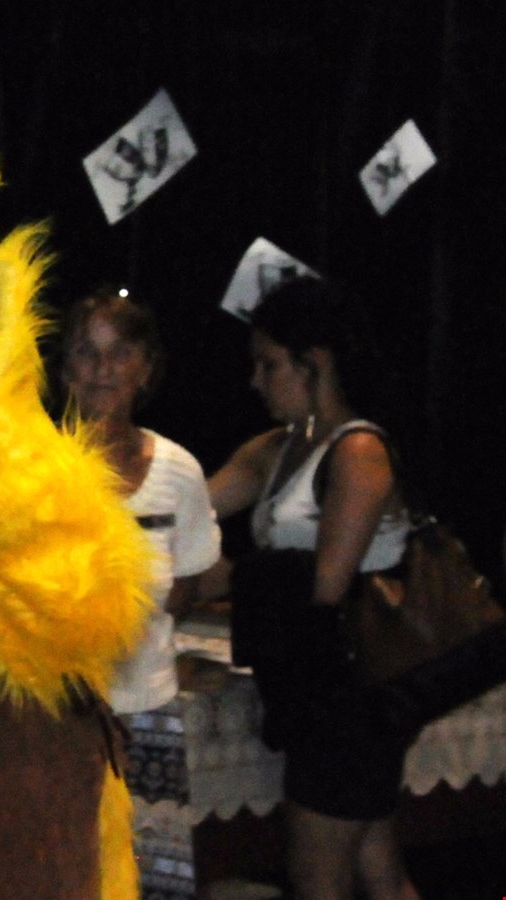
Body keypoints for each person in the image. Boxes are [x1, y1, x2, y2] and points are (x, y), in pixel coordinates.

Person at [206, 277, 420, 900]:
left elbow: (327, 586)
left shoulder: (359, 450)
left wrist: (235, 575)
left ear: (315, 363)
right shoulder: (278, 447)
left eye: (269, 364)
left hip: (350, 702)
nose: (256, 381)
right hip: (321, 695)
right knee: (380, 875)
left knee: (319, 881)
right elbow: (191, 508)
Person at [58, 288, 221, 900]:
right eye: (86, 352)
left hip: (147, 708)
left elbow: (186, 584)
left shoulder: (179, 472)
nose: (103, 368)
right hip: (57, 716)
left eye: (120, 352)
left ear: (146, 368)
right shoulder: (35, 468)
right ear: (64, 370)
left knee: (154, 877)